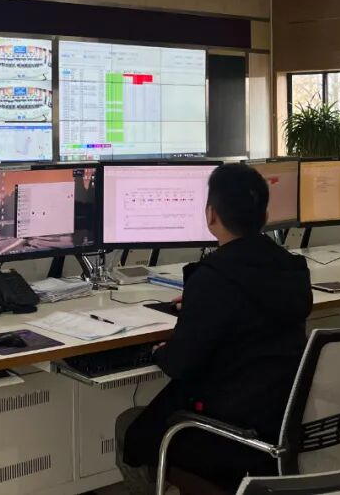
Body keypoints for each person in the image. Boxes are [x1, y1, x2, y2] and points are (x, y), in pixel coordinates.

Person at [116, 163, 313, 494]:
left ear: (210, 215)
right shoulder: (293, 269)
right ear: (265, 216)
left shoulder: (214, 278)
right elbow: (249, 314)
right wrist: (199, 304)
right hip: (278, 425)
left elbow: (181, 364)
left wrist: (159, 352)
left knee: (128, 426)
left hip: (226, 435)